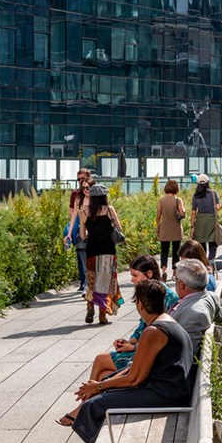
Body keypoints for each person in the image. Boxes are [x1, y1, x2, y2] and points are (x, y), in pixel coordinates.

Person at [56, 255, 178, 427]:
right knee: (104, 374)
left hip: (151, 353)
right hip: (147, 349)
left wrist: (133, 345)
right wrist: (130, 341)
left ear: (149, 274)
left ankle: (84, 407)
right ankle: (88, 409)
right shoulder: (152, 290)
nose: (132, 279)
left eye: (135, 275)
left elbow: (155, 331)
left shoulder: (163, 295)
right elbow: (144, 326)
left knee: (101, 361)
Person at [70, 279, 194, 443]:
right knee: (104, 389)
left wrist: (99, 387)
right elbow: (133, 368)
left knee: (92, 406)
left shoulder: (154, 331)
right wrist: (102, 384)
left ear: (141, 304)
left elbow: (134, 378)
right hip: (172, 390)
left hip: (166, 395)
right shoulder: (167, 322)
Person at [81, 183, 123, 325]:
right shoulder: (109, 210)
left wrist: (91, 232)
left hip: (92, 250)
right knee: (105, 282)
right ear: (104, 197)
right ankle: (102, 316)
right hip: (108, 251)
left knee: (92, 281)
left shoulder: (85, 212)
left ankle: (90, 305)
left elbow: (82, 235)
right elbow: (119, 229)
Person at [170, 258, 222, 355]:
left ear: (182, 285)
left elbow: (187, 353)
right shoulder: (212, 296)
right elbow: (221, 316)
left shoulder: (196, 314)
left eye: (176, 279)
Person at [64, 178, 92, 292]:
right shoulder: (79, 200)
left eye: (88, 187)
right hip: (82, 232)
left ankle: (91, 285)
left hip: (94, 233)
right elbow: (74, 217)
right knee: (83, 258)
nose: (85, 190)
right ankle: (87, 285)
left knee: (93, 261)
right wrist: (69, 234)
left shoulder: (96, 200)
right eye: (83, 187)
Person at [156, 179, 185, 282]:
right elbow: (182, 213)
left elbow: (158, 216)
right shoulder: (178, 200)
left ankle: (164, 270)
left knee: (164, 250)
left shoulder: (161, 201)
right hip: (176, 228)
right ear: (176, 189)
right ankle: (174, 273)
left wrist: (157, 227)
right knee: (176, 251)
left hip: (164, 228)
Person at [190, 174, 222, 262]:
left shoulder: (195, 196)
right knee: (213, 245)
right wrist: (217, 206)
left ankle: (204, 264)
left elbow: (193, 213)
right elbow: (218, 206)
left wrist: (192, 227)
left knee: (201, 246)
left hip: (200, 222)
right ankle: (210, 264)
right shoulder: (213, 193)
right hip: (211, 221)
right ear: (208, 183)